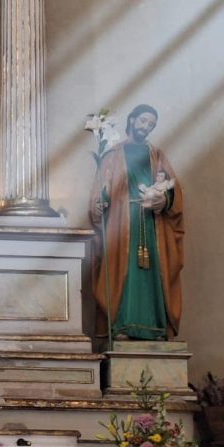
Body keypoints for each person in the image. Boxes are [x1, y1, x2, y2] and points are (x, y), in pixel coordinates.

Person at [89, 104, 185, 341]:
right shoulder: (113, 154)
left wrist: (164, 199)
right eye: (143, 121)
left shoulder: (157, 155)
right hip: (123, 224)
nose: (146, 127)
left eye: (151, 124)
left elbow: (173, 188)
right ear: (131, 120)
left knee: (154, 273)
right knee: (124, 272)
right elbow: (102, 190)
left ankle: (156, 329)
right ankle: (122, 326)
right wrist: (100, 204)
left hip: (152, 224)